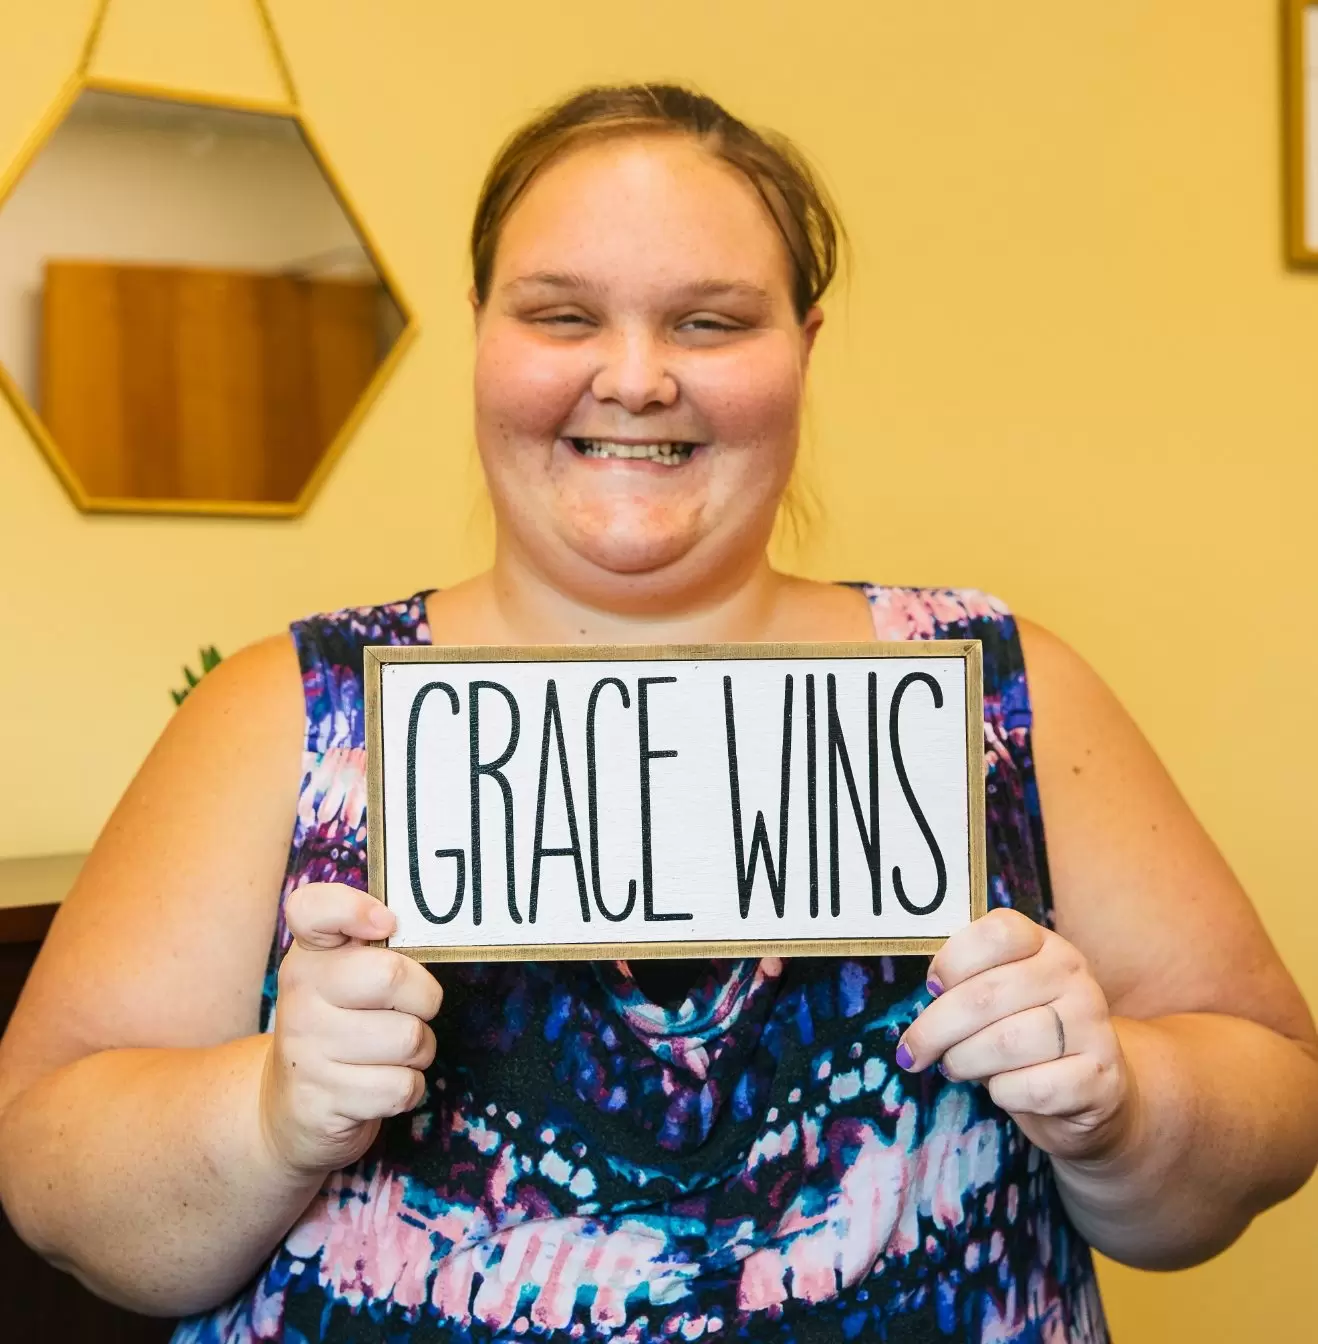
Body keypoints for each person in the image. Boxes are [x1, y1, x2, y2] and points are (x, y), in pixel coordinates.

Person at [0, 84, 1314, 1344]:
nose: (632, 377)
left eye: (708, 322)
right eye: (562, 314)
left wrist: (1121, 1101)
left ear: (801, 348)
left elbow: (1272, 1088)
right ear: (482, 331)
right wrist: (271, 1108)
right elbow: (52, 1176)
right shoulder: (288, 713)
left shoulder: (997, 686)